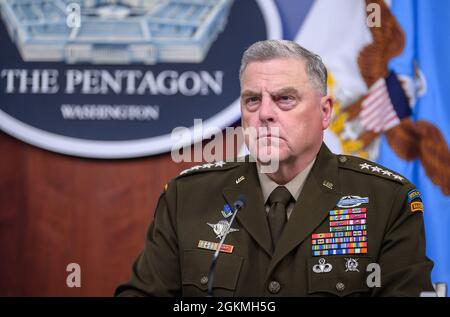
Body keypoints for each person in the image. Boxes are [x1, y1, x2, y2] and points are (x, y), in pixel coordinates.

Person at [115, 40, 434, 297]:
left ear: (325, 113)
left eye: (284, 99)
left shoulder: (386, 200)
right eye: (252, 100)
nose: (264, 113)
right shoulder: (189, 197)